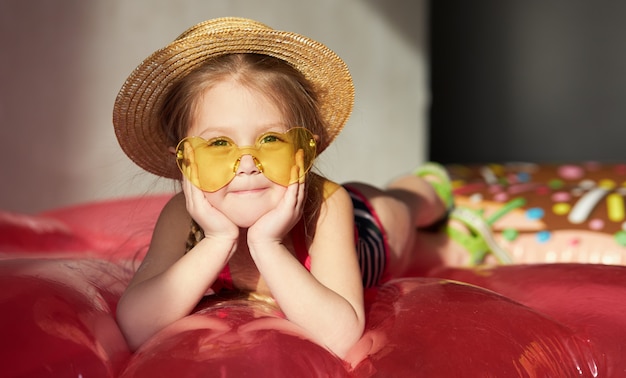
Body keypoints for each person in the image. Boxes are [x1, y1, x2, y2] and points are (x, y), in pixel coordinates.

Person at [113, 17, 508, 358]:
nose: (247, 165)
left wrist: (267, 246)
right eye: (219, 145)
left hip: (371, 232)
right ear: (186, 161)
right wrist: (216, 240)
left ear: (304, 149)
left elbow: (340, 334)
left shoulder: (328, 205)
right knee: (447, 248)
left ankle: (431, 185)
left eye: (270, 140)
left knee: (405, 206)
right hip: (312, 234)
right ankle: (453, 239)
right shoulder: (183, 217)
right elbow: (135, 324)